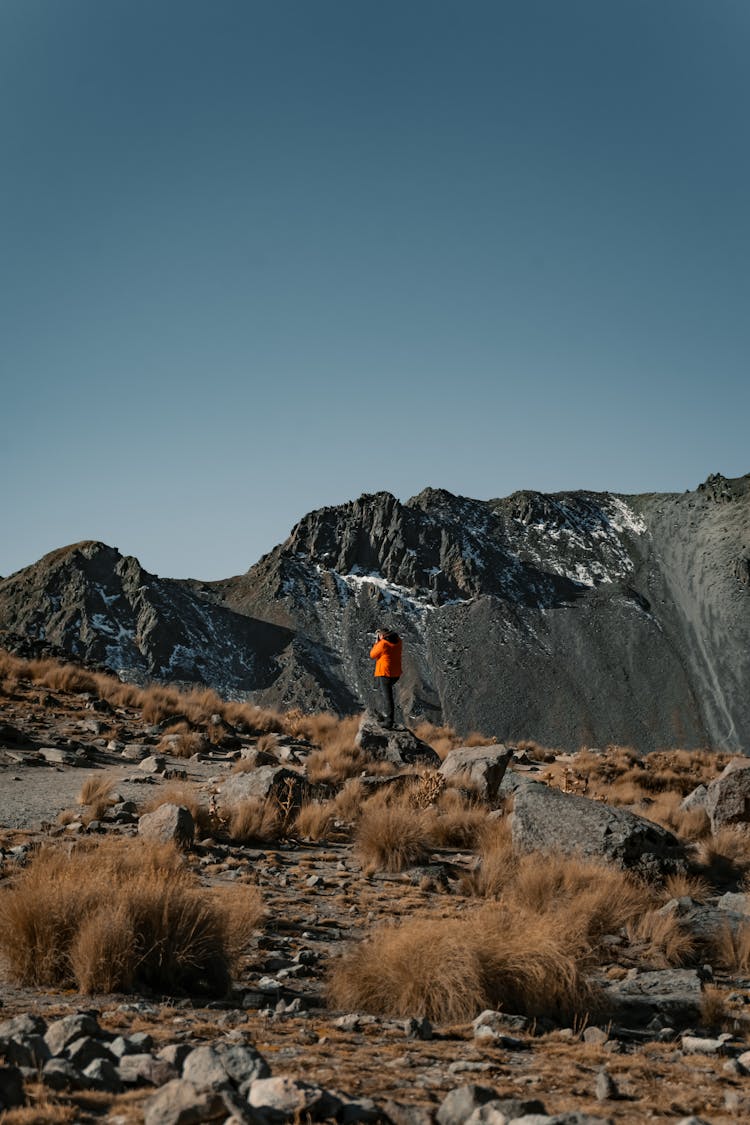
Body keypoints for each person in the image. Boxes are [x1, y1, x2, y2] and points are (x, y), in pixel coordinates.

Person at [369, 626, 403, 729]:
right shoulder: (398, 641)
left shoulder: (383, 644)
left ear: (382, 635)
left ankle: (389, 721)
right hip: (395, 673)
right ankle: (387, 715)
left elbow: (372, 654)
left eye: (379, 635)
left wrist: (377, 642)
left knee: (387, 697)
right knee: (386, 694)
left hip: (385, 673)